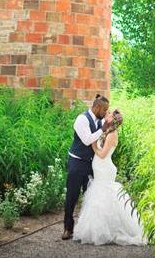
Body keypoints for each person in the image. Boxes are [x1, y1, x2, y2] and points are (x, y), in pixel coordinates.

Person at [72, 109, 147, 246]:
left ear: (112, 119)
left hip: (105, 169)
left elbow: (102, 154)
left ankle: (114, 230)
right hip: (100, 168)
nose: (107, 113)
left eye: (110, 114)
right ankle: (97, 230)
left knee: (106, 197)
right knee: (98, 199)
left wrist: (93, 144)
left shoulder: (112, 134)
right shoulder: (106, 131)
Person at [62, 94, 109, 240]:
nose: (105, 113)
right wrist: (103, 129)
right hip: (77, 163)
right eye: (104, 110)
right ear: (96, 107)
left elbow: (102, 136)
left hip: (91, 164)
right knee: (72, 196)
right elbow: (88, 140)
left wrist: (112, 121)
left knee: (91, 197)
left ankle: (88, 229)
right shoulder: (81, 119)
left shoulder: (100, 121)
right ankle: (68, 228)